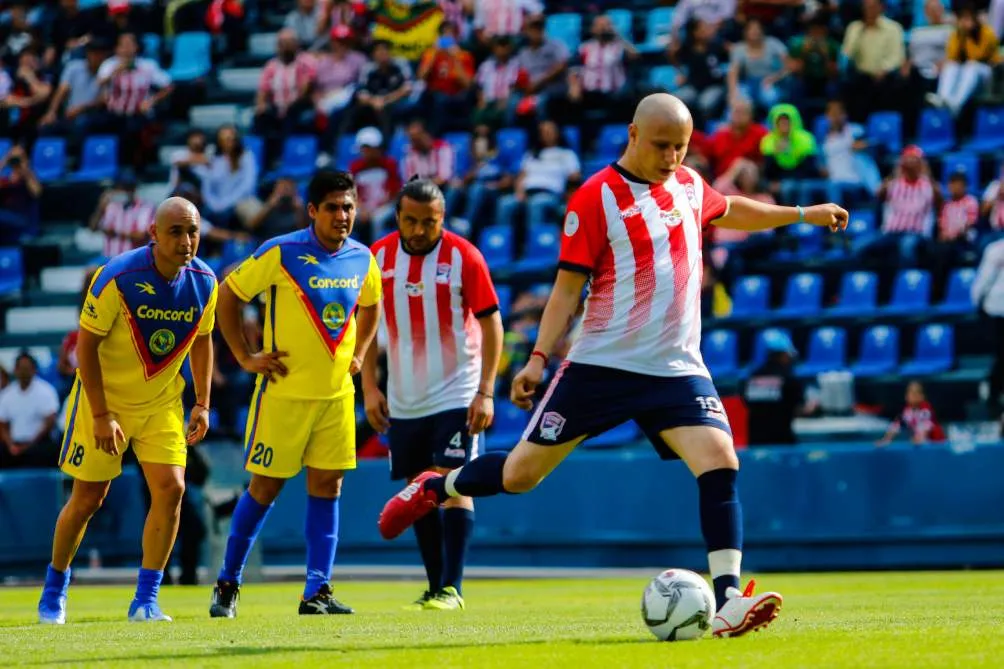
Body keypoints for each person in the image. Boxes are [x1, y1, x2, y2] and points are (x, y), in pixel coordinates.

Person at [377, 93, 848, 637]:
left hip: (674, 366)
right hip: (601, 366)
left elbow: (731, 207)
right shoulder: (596, 197)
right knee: (520, 475)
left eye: (681, 147)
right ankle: (439, 486)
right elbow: (566, 290)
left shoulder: (691, 186)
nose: (672, 157)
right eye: (661, 145)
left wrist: (801, 214)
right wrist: (536, 359)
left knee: (720, 459)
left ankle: (727, 601)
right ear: (632, 133)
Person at [208, 171, 382, 618]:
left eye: (349, 207)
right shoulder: (281, 251)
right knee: (264, 488)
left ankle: (316, 591)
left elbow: (372, 305)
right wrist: (245, 358)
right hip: (283, 395)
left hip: (335, 398)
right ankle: (228, 582)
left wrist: (360, 354)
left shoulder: (363, 258)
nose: (343, 216)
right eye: (333, 207)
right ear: (312, 211)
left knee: (329, 486)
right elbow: (227, 295)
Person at [37, 197, 218, 624]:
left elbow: (204, 340)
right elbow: (86, 345)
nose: (186, 240)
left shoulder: (206, 281)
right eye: (175, 231)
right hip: (107, 402)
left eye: (192, 231)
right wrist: (101, 415)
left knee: (172, 489)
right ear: (153, 233)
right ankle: (54, 588)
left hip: (161, 403)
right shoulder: (116, 277)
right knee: (87, 499)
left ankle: (146, 600)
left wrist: (203, 403)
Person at [364, 179, 503, 611]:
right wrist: (369, 387)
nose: (419, 229)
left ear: (442, 218)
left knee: (451, 480)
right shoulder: (378, 257)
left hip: (456, 391)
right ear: (398, 217)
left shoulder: (464, 256)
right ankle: (434, 586)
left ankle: (453, 587)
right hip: (404, 397)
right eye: (411, 220)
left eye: (429, 221)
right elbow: (364, 331)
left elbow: (492, 323)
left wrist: (485, 391)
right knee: (418, 490)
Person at [742, 332, 811, 446]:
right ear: (783, 355)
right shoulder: (789, 379)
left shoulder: (752, 377)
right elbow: (799, 408)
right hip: (782, 443)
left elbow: (746, 402)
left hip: (756, 442)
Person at [0, 351, 61, 469]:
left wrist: (29, 445)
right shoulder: (7, 394)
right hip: (13, 444)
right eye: (21, 368)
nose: (24, 372)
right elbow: (2, 424)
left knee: (50, 451)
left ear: (34, 370)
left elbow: (50, 421)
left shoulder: (46, 391)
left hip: (38, 443)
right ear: (15, 370)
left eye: (27, 368)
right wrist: (10, 444)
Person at [875, 381, 946, 446]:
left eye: (915, 393)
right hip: (922, 444)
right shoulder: (907, 411)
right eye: (909, 393)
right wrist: (886, 440)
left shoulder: (926, 409)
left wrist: (919, 438)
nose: (912, 396)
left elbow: (925, 426)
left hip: (937, 444)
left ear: (922, 396)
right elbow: (896, 425)